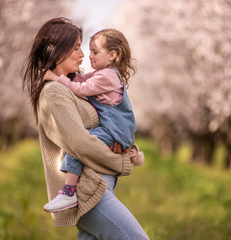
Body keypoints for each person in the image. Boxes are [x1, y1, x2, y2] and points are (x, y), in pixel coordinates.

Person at [22, 17, 149, 239]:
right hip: (88, 192)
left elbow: (106, 125)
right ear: (55, 50)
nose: (83, 55)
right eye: (75, 48)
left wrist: (125, 145)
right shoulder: (55, 92)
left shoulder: (74, 86)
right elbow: (80, 143)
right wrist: (121, 161)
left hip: (98, 186)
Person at [42, 28, 144, 213]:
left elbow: (80, 88)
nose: (89, 56)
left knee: (76, 146)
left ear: (112, 55)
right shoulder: (105, 74)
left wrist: (55, 77)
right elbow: (81, 79)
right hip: (117, 131)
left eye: (95, 52)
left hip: (114, 131)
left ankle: (68, 192)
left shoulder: (107, 76)